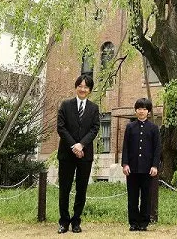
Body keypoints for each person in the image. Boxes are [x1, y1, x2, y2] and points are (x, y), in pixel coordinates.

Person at [56, 74, 100, 234]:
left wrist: (82, 145)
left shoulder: (94, 108)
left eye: (86, 87)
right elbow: (61, 127)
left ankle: (76, 221)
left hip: (85, 155)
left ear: (89, 90)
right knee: (64, 189)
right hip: (66, 154)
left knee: (81, 189)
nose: (82, 89)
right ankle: (63, 222)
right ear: (76, 87)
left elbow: (95, 129)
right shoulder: (65, 105)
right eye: (80, 86)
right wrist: (74, 145)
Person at [121, 98, 161, 232]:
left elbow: (157, 149)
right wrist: (125, 164)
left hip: (147, 168)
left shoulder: (154, 128)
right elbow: (125, 146)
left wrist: (155, 165)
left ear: (148, 111)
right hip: (131, 168)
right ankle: (133, 222)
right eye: (139, 109)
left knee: (146, 196)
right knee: (132, 196)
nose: (141, 111)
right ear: (135, 110)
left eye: (144, 109)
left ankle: (144, 222)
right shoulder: (130, 127)